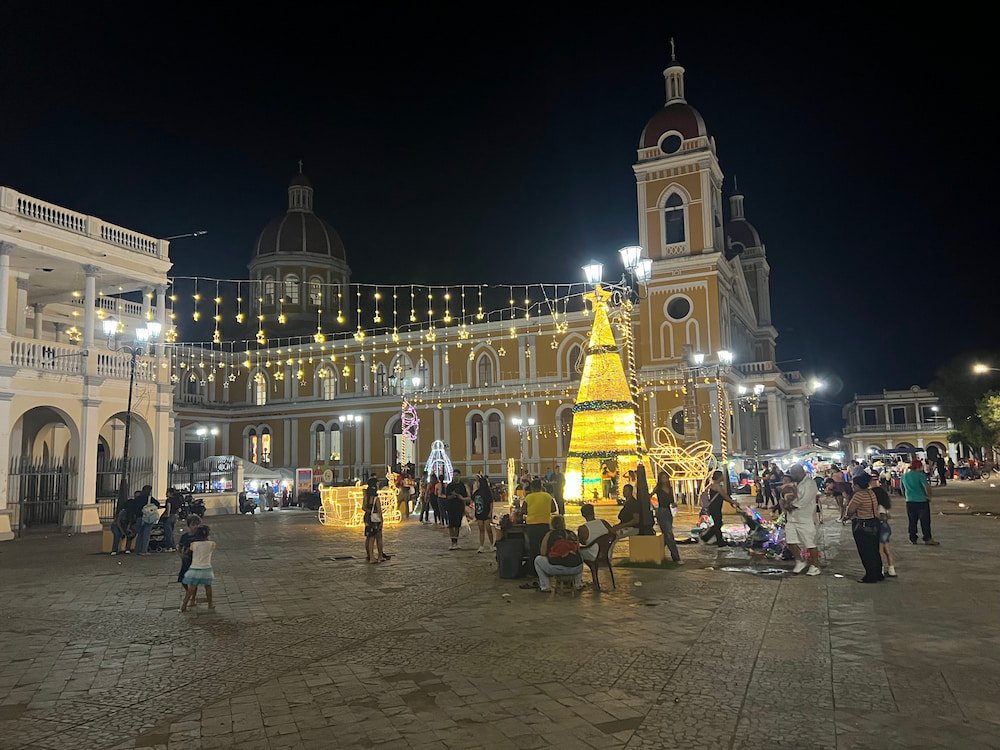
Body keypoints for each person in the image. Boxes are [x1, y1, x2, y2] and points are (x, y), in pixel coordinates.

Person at [845, 473, 884, 583]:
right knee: (874, 550)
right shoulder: (871, 492)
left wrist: (847, 516)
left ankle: (870, 576)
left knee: (865, 552)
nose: (852, 487)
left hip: (863, 525)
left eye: (853, 485)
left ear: (857, 486)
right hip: (875, 523)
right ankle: (878, 573)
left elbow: (850, 510)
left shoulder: (859, 495)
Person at [783, 464, 821, 575]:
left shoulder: (810, 484)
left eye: (794, 473)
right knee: (790, 542)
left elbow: (804, 501)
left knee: (810, 543)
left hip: (805, 518)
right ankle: (799, 561)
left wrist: (789, 506)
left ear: (800, 472)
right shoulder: (795, 483)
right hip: (792, 518)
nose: (792, 475)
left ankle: (815, 566)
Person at [534, 515, 584, 592]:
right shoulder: (571, 533)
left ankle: (545, 586)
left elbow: (543, 553)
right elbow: (578, 551)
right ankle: (578, 583)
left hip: (557, 568)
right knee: (580, 557)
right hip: (576, 568)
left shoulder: (549, 534)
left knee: (538, 559)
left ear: (552, 524)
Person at [901, 459, 939, 545]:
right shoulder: (920, 475)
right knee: (925, 521)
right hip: (922, 501)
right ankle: (927, 538)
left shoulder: (904, 476)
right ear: (918, 467)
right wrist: (929, 496)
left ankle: (912, 538)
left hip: (910, 501)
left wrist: (907, 497)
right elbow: (926, 487)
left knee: (912, 521)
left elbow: (902, 489)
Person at [180, 525, 216, 611]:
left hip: (195, 568)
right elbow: (212, 549)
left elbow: (188, 551)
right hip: (206, 568)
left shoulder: (194, 544)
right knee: (208, 586)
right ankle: (210, 604)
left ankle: (184, 605)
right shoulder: (212, 544)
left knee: (191, 588)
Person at [699, 471, 736, 548]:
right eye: (722, 475)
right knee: (718, 523)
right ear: (719, 477)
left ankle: (715, 538)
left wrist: (732, 502)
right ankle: (719, 541)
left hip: (712, 507)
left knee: (718, 522)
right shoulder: (717, 486)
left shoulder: (711, 485)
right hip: (715, 507)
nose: (723, 477)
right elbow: (725, 496)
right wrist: (733, 502)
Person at [652, 472, 682, 563]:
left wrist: (675, 505)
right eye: (663, 478)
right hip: (661, 511)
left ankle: (655, 552)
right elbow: (649, 496)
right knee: (669, 534)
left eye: (666, 477)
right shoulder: (658, 488)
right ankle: (676, 557)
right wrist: (654, 507)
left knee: (666, 534)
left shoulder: (670, 488)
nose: (665, 479)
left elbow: (671, 501)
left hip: (668, 511)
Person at [871, 474, 896, 577]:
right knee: (887, 550)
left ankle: (880, 570)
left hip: (881, 527)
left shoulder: (879, 507)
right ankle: (891, 569)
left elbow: (882, 517)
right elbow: (888, 516)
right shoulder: (885, 506)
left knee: (879, 550)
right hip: (886, 528)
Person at [577, 503, 613, 570]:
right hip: (606, 554)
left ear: (583, 515)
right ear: (593, 512)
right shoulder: (604, 522)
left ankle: (577, 578)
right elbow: (613, 534)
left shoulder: (583, 528)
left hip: (593, 555)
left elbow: (582, 542)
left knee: (576, 552)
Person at [363, 477, 390, 563]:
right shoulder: (376, 498)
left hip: (367, 517)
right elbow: (379, 511)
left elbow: (363, 507)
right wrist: (382, 521)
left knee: (369, 537)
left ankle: (369, 555)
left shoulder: (366, 497)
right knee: (377, 537)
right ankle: (379, 556)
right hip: (375, 519)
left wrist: (369, 511)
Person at [176, 515, 202, 598]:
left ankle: (192, 597)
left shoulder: (200, 536)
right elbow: (179, 547)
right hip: (186, 561)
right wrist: (181, 555)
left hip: (196, 561)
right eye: (193, 525)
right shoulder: (184, 537)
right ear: (189, 525)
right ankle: (189, 592)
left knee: (193, 581)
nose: (195, 527)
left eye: (197, 524)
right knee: (183, 579)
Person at [445, 470, 469, 550]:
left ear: (459, 475)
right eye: (453, 475)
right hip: (450, 507)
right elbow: (447, 497)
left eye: (456, 475)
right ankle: (452, 542)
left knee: (457, 525)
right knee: (451, 525)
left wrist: (464, 507)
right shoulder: (449, 486)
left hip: (459, 507)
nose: (455, 476)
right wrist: (453, 496)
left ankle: (456, 542)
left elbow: (465, 497)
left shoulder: (462, 485)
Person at [473, 475, 495, 553]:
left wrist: (490, 513)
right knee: (481, 530)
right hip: (479, 513)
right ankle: (481, 546)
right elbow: (473, 500)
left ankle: (492, 544)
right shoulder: (477, 492)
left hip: (486, 512)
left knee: (489, 530)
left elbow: (491, 503)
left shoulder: (488, 492)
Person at [135, 489, 161, 556]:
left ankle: (137, 550)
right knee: (146, 534)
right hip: (148, 518)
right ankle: (144, 550)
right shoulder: (149, 498)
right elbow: (158, 504)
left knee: (140, 534)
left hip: (139, 518)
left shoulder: (137, 499)